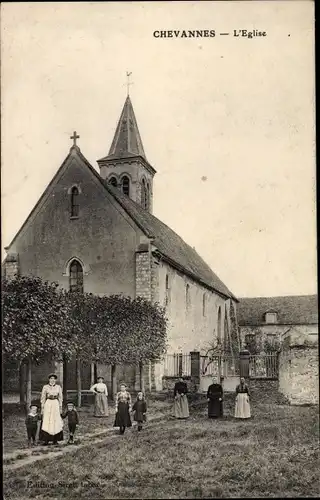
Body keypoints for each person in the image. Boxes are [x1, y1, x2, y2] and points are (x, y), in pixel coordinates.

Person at [39, 373, 63, 445]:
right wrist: (42, 407)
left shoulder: (58, 387)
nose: (52, 380)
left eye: (54, 379)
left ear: (55, 380)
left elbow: (60, 398)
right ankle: (46, 440)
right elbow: (43, 398)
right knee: (47, 421)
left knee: (55, 421)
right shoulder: (45, 387)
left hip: (55, 404)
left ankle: (55, 440)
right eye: (51, 378)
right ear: (49, 379)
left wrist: (60, 407)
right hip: (48, 403)